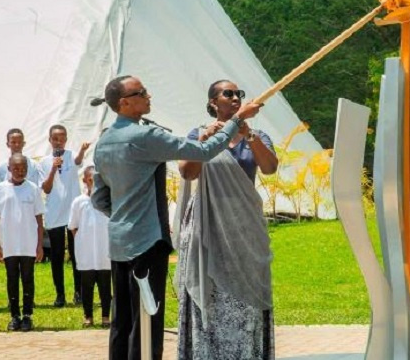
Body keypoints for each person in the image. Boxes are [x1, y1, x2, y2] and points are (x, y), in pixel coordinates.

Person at [91, 75, 261, 360]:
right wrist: (237, 120)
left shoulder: (104, 140)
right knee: (148, 319)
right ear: (124, 103)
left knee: (122, 321)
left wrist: (123, 215)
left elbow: (99, 198)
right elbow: (203, 151)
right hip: (146, 242)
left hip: (119, 242)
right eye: (141, 92)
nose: (149, 96)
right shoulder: (145, 136)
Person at [176, 80, 278, 360]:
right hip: (207, 223)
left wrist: (248, 134)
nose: (235, 98)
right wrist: (204, 140)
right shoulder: (200, 133)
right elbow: (187, 172)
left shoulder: (256, 135)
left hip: (245, 226)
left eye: (239, 94)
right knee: (211, 291)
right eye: (228, 93)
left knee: (246, 294)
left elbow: (269, 168)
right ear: (212, 103)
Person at [0, 154, 45, 332]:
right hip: (10, 243)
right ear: (9, 169)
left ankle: (27, 315)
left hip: (28, 242)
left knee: (28, 279)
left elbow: (39, 219)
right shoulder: (0, 190)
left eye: (23, 169)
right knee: (12, 279)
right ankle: (14, 316)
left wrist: (39, 245)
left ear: (27, 170)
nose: (20, 172)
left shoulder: (34, 189)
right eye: (16, 168)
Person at [40, 124, 89, 307]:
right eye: (55, 138)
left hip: (73, 212)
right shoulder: (44, 162)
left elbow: (77, 161)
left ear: (66, 139)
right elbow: (46, 188)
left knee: (77, 254)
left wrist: (83, 151)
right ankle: (60, 294)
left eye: (62, 138)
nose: (58, 141)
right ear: (50, 140)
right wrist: (53, 169)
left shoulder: (70, 155)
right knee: (57, 255)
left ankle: (79, 292)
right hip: (54, 213)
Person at [68, 165, 112, 328]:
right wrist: (82, 240)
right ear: (85, 180)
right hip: (86, 251)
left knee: (105, 285)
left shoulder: (108, 200)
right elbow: (73, 226)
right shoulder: (79, 202)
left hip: (104, 250)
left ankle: (106, 316)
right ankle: (88, 315)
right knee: (86, 285)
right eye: (91, 179)